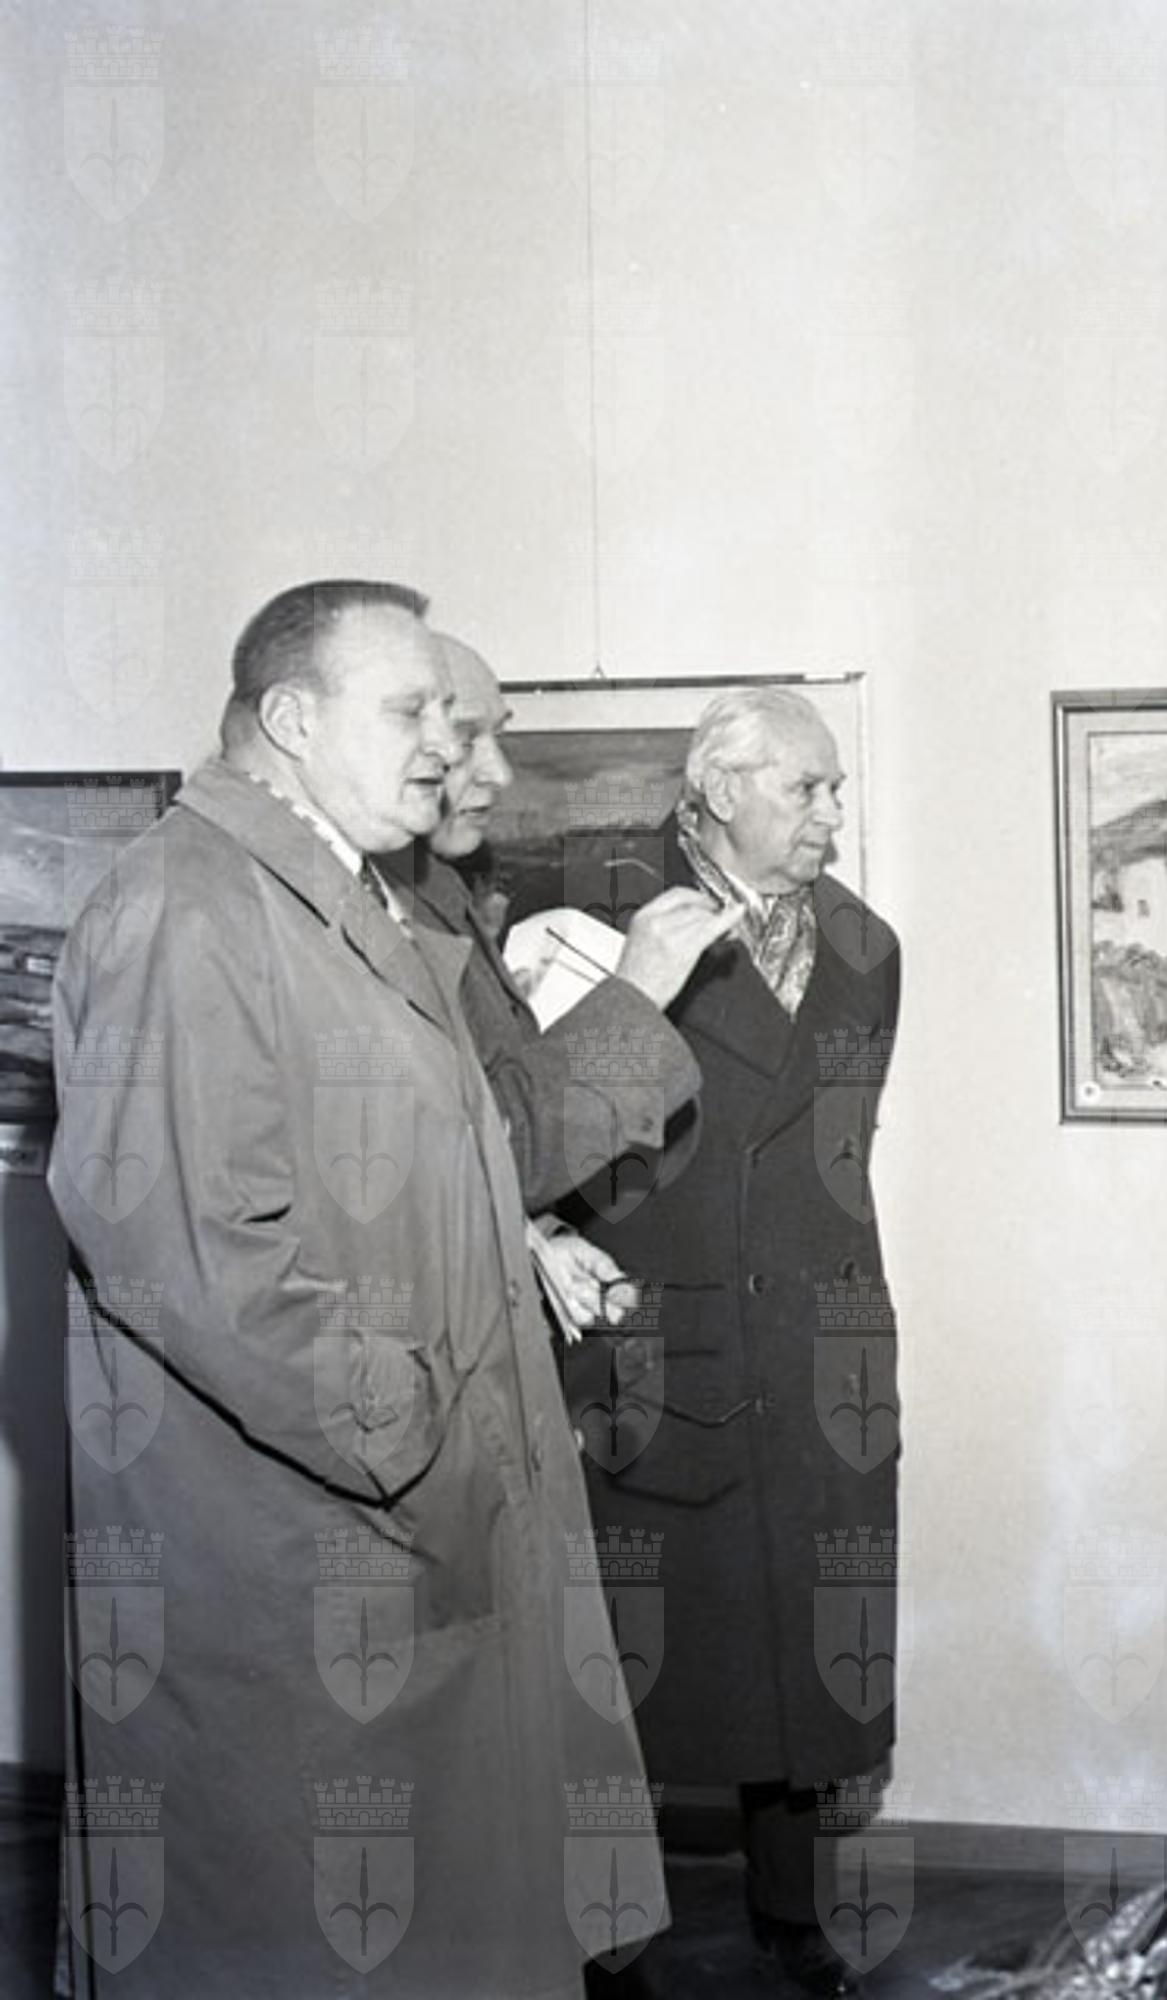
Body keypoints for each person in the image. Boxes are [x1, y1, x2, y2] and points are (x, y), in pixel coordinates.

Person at [48, 581, 662, 1997]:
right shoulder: (187, 908)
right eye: (410, 710)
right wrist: (414, 1430)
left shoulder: (341, 896)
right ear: (289, 719)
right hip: (316, 1536)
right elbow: (188, 1246)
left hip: (396, 1528)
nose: (445, 742)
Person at [577, 689, 902, 1999]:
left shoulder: (866, 947)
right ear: (718, 791)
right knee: (636, 1665)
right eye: (805, 787)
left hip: (817, 1346)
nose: (832, 813)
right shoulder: (606, 924)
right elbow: (558, 1138)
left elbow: (833, 1159)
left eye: (834, 789)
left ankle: (791, 1913)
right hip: (667, 1343)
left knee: (805, 1654)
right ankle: (606, 1935)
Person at [385, 634, 737, 1325]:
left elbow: (468, 1141)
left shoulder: (437, 891)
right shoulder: (370, 912)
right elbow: (480, 1158)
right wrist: (636, 991)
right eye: (465, 738)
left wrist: (538, 1237)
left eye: (499, 736)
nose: (499, 772)